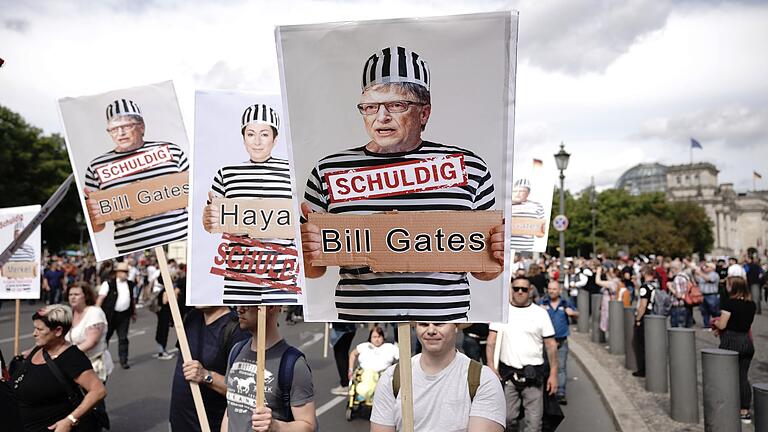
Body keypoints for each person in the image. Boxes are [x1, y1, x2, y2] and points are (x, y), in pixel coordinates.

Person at [300, 46, 504, 321]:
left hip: (440, 326)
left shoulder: (470, 168)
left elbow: (485, 271)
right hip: (364, 325)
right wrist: (305, 251)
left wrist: (498, 253)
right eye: (371, 107)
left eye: (397, 105)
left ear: (424, 113)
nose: (381, 117)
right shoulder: (328, 170)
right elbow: (313, 270)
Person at [202, 103, 299, 305]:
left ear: (275, 138)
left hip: (281, 271)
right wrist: (208, 219)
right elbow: (213, 221)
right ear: (243, 137)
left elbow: (301, 218)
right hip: (240, 273)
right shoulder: (226, 174)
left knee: (272, 328)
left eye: (264, 134)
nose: (257, 141)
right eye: (250, 134)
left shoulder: (293, 172)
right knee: (245, 328)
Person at [83, 99, 188, 254]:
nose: (121, 133)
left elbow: (195, 196)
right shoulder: (96, 167)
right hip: (133, 252)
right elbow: (96, 227)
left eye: (127, 125)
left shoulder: (171, 151)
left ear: (141, 127)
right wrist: (93, 216)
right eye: (114, 128)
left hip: (181, 245)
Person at [371, 322, 506, 432]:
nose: (431, 330)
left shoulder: (483, 380)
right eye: (423, 324)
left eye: (439, 323)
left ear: (456, 326)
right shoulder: (392, 378)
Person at [13, 305, 107, 432]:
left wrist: (70, 420)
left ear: (58, 331)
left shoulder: (72, 358)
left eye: (40, 329)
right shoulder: (40, 348)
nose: (34, 333)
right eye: (35, 328)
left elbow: (98, 391)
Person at [223, 306, 316, 432]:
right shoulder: (236, 351)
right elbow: (230, 410)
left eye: (247, 303)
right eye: (239, 303)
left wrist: (275, 426)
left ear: (271, 307)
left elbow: (308, 426)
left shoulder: (293, 364)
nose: (239, 309)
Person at [487, 276, 558, 432]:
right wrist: (491, 366)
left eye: (524, 289)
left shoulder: (540, 314)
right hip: (509, 376)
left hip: (534, 377)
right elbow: (491, 341)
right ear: (511, 290)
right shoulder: (502, 312)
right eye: (516, 288)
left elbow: (551, 345)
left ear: (530, 291)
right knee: (507, 419)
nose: (520, 292)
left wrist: (553, 374)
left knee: (534, 424)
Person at [169, 306, 249, 432]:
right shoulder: (193, 316)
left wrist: (206, 376)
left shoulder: (237, 330)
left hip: (209, 425)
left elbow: (245, 392)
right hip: (178, 422)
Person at [714, 277, 756, 423]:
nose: (726, 287)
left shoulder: (729, 303)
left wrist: (715, 322)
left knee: (725, 375)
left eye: (728, 285)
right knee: (743, 377)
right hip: (746, 342)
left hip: (731, 341)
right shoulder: (751, 304)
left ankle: (726, 406)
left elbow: (722, 325)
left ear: (733, 287)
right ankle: (744, 411)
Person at [65, 282, 113, 382]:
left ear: (85, 296)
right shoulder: (69, 313)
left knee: (91, 396)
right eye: (70, 295)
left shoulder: (94, 313)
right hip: (73, 365)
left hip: (93, 366)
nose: (73, 297)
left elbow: (91, 342)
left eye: (76, 295)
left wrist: (65, 354)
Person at [539, 280, 578, 404]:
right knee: (545, 366)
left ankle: (560, 392)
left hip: (561, 342)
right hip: (546, 342)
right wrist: (539, 311)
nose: (551, 291)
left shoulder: (565, 302)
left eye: (554, 289)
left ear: (559, 291)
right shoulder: (542, 303)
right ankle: (546, 390)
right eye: (550, 289)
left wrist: (573, 314)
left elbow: (577, 314)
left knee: (561, 367)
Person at [96, 261, 136, 369]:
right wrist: (95, 314)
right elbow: (100, 299)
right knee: (105, 338)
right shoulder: (108, 283)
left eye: (126, 272)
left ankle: (124, 360)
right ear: (117, 272)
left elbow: (132, 299)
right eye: (123, 272)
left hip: (124, 315)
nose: (125, 274)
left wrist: (134, 313)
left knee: (123, 338)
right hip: (110, 315)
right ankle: (101, 358)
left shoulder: (130, 284)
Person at [632, 265, 658, 377]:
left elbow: (642, 305)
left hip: (644, 317)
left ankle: (643, 369)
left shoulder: (645, 287)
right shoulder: (655, 285)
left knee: (639, 344)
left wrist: (638, 319)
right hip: (653, 315)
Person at [509, 178, 546, 252]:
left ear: (528, 193)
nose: (517, 193)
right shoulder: (507, 205)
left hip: (526, 248)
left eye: (521, 191)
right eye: (515, 191)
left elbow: (541, 231)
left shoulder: (537, 206)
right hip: (507, 247)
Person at [330, 322, 357, 395]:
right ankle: (347, 380)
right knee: (343, 355)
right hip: (349, 328)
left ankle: (345, 383)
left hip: (342, 329)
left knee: (341, 355)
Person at [693, 261, 720, 329]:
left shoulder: (714, 274)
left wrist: (700, 273)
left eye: (707, 266)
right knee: (704, 311)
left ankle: (716, 324)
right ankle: (707, 325)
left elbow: (709, 279)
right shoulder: (703, 274)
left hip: (711, 295)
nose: (705, 268)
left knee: (714, 311)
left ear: (712, 268)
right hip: (703, 295)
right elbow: (697, 280)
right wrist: (695, 273)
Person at [667, 262, 690, 328]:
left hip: (678, 306)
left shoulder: (677, 278)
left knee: (677, 328)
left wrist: (670, 287)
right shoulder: (685, 276)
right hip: (686, 305)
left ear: (674, 269)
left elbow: (679, 295)